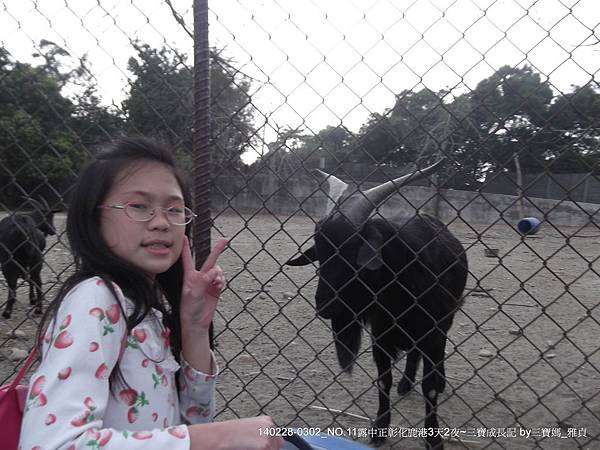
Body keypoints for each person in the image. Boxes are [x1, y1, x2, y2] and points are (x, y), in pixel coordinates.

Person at [19, 136, 284, 450]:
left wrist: (195, 329)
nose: (161, 222)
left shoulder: (147, 307)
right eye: (139, 206)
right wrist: (219, 438)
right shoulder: (97, 299)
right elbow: (52, 444)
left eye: (175, 210)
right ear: (94, 216)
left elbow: (190, 423)